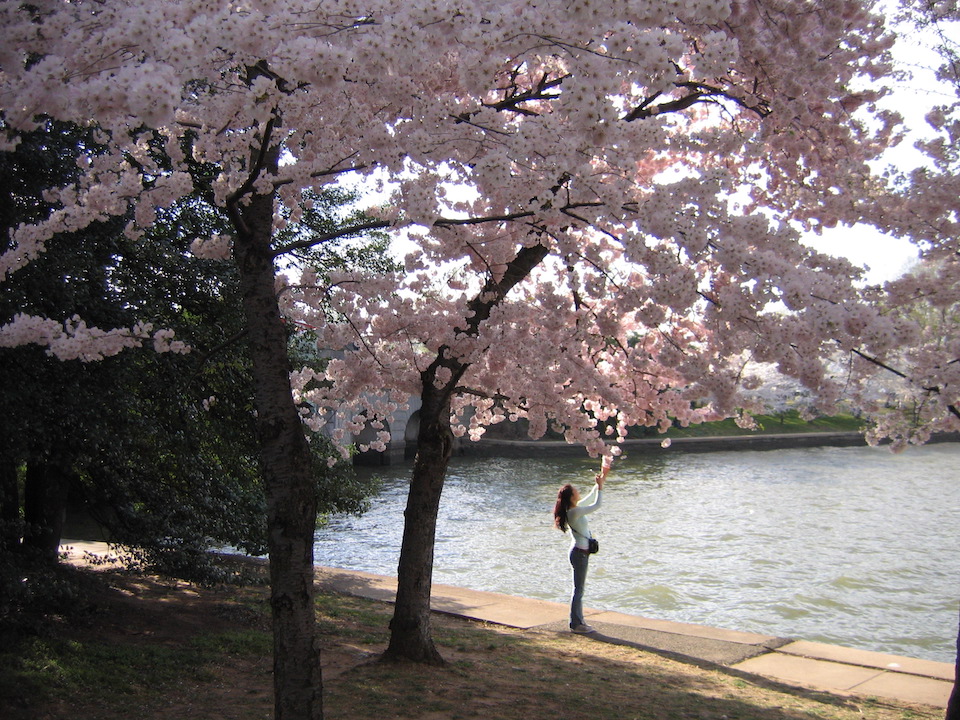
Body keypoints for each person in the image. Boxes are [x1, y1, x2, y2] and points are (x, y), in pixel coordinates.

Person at [553, 460, 609, 633]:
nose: (578, 492)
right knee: (579, 590)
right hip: (580, 553)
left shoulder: (574, 509)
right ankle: (577, 624)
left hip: (579, 552)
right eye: (576, 491)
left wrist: (601, 482)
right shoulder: (575, 512)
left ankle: (578, 621)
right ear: (571, 497)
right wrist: (599, 488)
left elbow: (591, 498)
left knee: (579, 589)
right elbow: (597, 504)